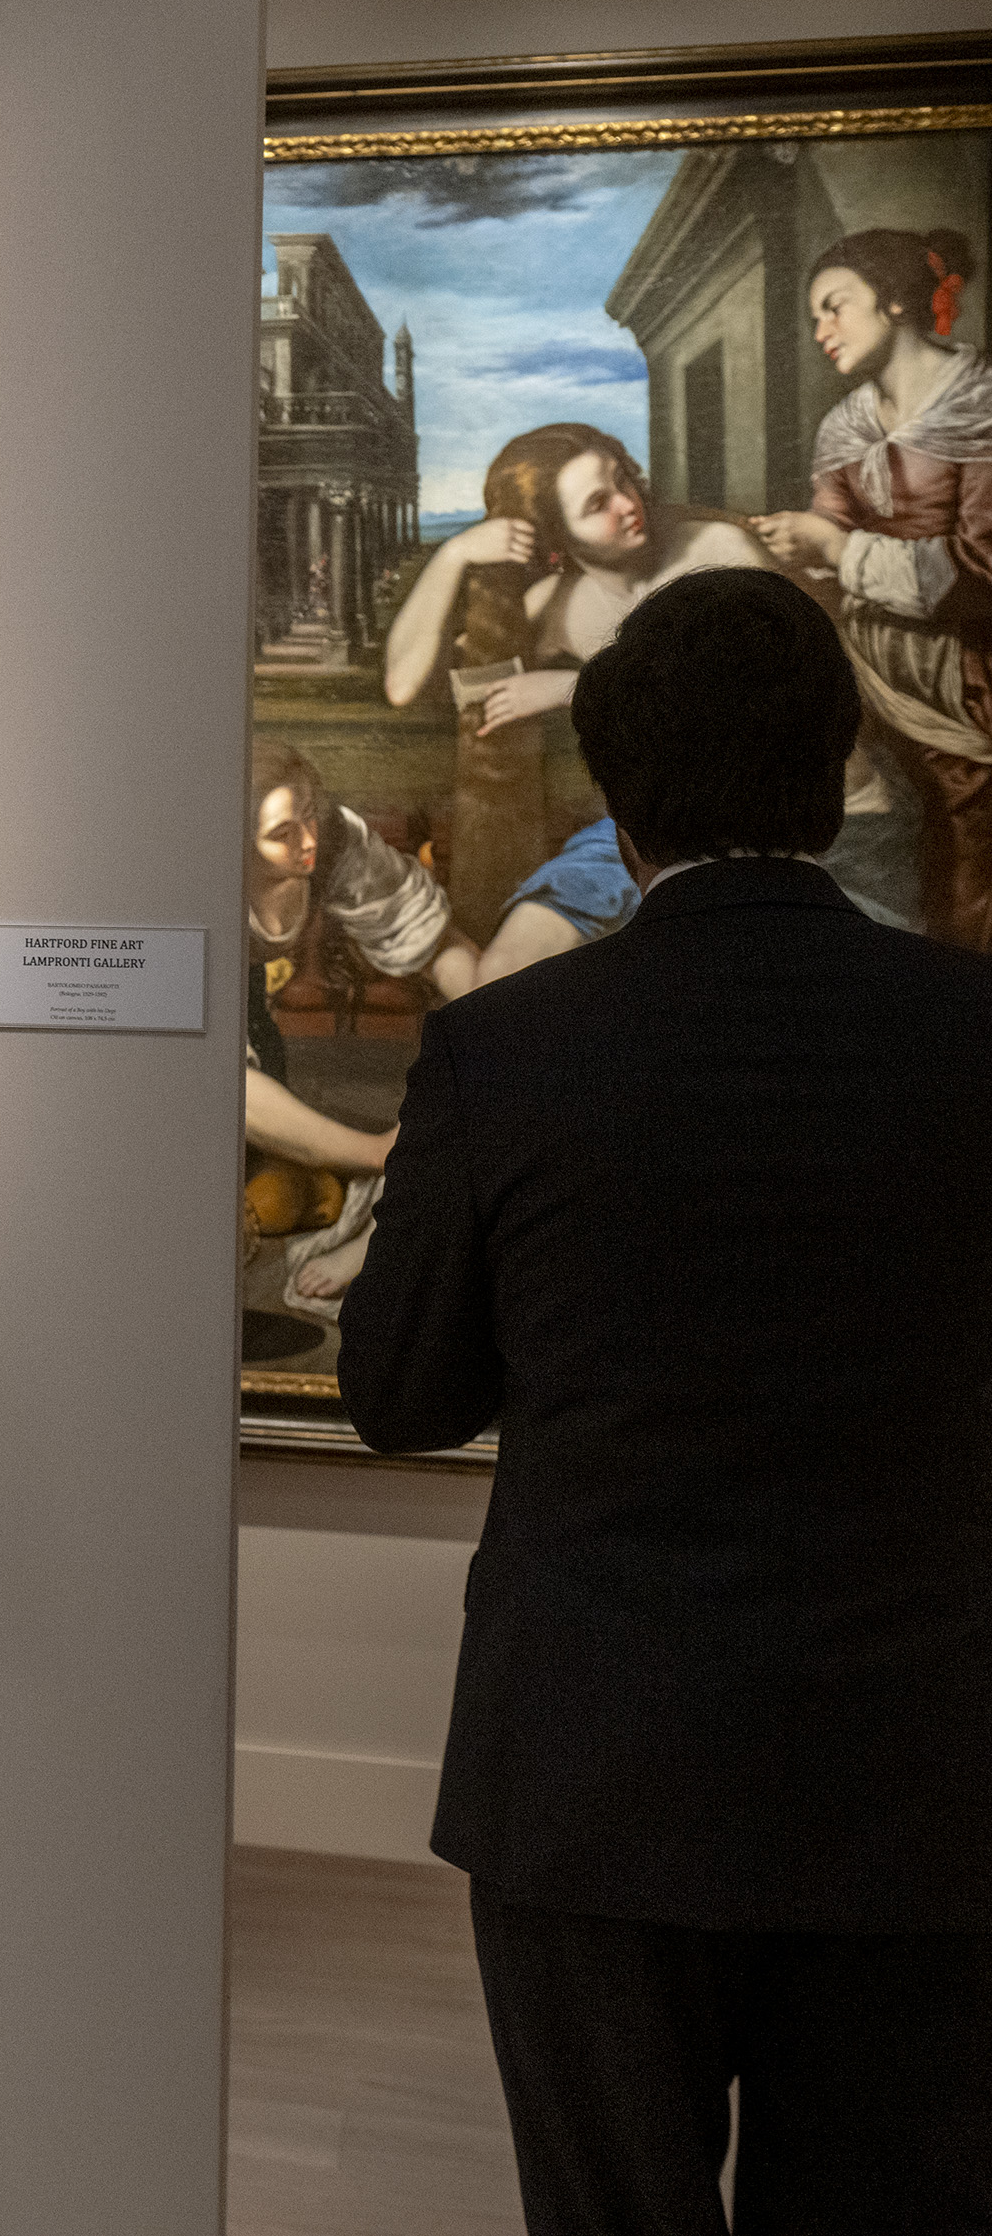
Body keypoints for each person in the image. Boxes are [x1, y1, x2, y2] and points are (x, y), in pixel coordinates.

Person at [340, 567, 992, 2229]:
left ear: (614, 799)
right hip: (918, 1754)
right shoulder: (968, 1032)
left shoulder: (505, 1051)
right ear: (831, 768)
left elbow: (398, 1391)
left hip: (593, 1762)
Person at [381, 422, 790, 972]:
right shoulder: (559, 604)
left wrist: (572, 687)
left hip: (771, 822)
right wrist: (451, 556)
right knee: (501, 972)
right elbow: (404, 685)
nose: (628, 503)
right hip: (645, 834)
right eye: (598, 504)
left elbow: (767, 694)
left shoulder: (717, 550)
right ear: (559, 536)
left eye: (622, 480)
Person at [752, 227, 990, 947]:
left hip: (967, 686)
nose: (820, 331)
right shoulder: (844, 426)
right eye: (813, 317)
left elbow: (982, 572)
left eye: (834, 307)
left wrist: (835, 547)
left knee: (963, 883)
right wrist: (800, 545)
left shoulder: (981, 401)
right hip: (867, 680)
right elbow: (828, 540)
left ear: (893, 300)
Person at [241, 739, 475, 1309]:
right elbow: (223, 1086)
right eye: (282, 833)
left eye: (309, 816)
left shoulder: (336, 843)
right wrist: (378, 1153)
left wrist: (491, 1019)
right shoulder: (197, 884)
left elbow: (428, 935)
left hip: (268, 1050)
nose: (308, 841)